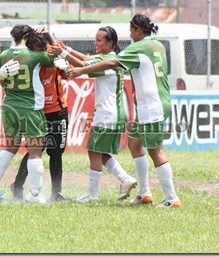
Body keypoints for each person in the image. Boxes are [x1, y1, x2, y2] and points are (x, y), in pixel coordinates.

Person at [65, 14, 182, 208]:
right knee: (134, 144)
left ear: (138, 30)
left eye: (131, 31)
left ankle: (171, 198)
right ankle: (144, 193)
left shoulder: (138, 47)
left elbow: (112, 63)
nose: (130, 35)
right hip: (153, 104)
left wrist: (80, 71)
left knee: (156, 151)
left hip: (152, 106)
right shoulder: (158, 45)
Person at [51, 26, 137, 203]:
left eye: (99, 40)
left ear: (110, 43)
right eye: (95, 40)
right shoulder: (109, 58)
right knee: (100, 152)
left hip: (107, 113)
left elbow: (83, 65)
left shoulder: (108, 61)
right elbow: (87, 58)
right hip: (113, 113)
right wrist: (65, 49)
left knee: (94, 151)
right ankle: (125, 179)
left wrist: (62, 54)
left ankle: (93, 195)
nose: (95, 43)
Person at [0, 24, 59, 204]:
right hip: (30, 107)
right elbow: (57, 54)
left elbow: (2, 78)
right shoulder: (35, 55)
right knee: (35, 151)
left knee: (10, 147)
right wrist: (48, 37)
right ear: (27, 36)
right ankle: (34, 194)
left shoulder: (3, 55)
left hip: (9, 105)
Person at [10, 30, 69, 202]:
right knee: (35, 151)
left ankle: (56, 193)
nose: (40, 53)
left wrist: (50, 38)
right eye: (36, 49)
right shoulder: (26, 61)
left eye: (42, 48)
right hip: (36, 112)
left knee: (56, 152)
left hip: (58, 111)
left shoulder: (52, 55)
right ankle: (17, 185)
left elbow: (66, 73)